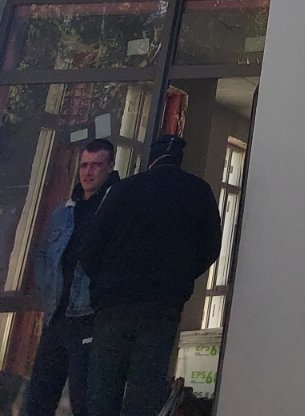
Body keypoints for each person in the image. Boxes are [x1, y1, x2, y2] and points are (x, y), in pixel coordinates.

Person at [79, 136, 221, 416]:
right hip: (162, 306)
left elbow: (90, 248)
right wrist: (180, 277)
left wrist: (104, 283)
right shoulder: (198, 191)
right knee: (144, 391)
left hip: (115, 303)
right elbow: (211, 247)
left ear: (150, 160)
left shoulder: (124, 189)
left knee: (103, 388)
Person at [23, 138, 119, 416]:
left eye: (96, 165)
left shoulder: (115, 208)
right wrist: (48, 294)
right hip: (57, 315)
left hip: (89, 317)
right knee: (39, 396)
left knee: (83, 398)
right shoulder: (64, 212)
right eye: (84, 165)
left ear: (110, 167)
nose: (88, 172)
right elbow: (43, 255)